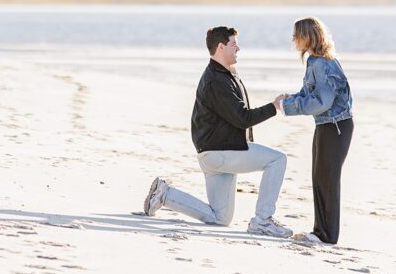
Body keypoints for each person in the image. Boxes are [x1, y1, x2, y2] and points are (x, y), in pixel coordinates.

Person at [142, 26, 293, 238]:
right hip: (220, 152)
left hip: (215, 152)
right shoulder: (216, 80)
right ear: (221, 47)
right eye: (233, 44)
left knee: (220, 218)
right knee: (277, 160)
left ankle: (165, 194)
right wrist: (274, 106)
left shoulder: (224, 74)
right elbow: (243, 118)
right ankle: (263, 220)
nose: (238, 49)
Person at [280, 16, 353, 245]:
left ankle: (327, 236)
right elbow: (308, 94)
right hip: (326, 125)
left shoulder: (322, 63)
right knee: (319, 178)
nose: (293, 40)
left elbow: (322, 102)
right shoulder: (315, 61)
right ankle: (320, 231)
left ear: (307, 36)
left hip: (336, 127)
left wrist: (289, 107)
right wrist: (287, 100)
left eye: (296, 35)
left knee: (327, 180)